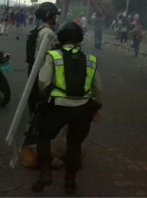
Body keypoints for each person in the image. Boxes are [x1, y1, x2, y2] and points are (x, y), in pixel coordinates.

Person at [32, 21, 102, 194]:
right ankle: (70, 181)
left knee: (43, 136)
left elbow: (43, 81)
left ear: (61, 38)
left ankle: (45, 174)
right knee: (74, 144)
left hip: (58, 108)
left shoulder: (54, 56)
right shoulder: (91, 59)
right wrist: (95, 109)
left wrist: (46, 96)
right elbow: (98, 89)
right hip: (83, 109)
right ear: (79, 39)